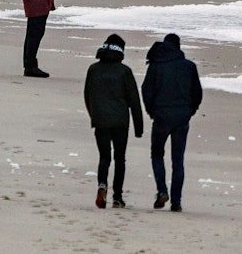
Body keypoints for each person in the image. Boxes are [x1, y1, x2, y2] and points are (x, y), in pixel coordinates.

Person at [142, 33, 201, 212]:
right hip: (182, 116)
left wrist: (152, 112)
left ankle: (162, 191)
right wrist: (190, 111)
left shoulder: (155, 65)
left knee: (157, 154)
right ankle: (176, 201)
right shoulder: (189, 66)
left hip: (161, 116)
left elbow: (146, 91)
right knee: (178, 159)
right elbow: (197, 93)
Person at [83, 34, 143, 209]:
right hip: (120, 122)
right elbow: (134, 101)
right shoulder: (124, 71)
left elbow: (88, 95)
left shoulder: (93, 69)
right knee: (120, 159)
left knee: (104, 157)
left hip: (100, 120)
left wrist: (93, 115)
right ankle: (117, 197)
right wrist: (138, 127)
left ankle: (102, 184)